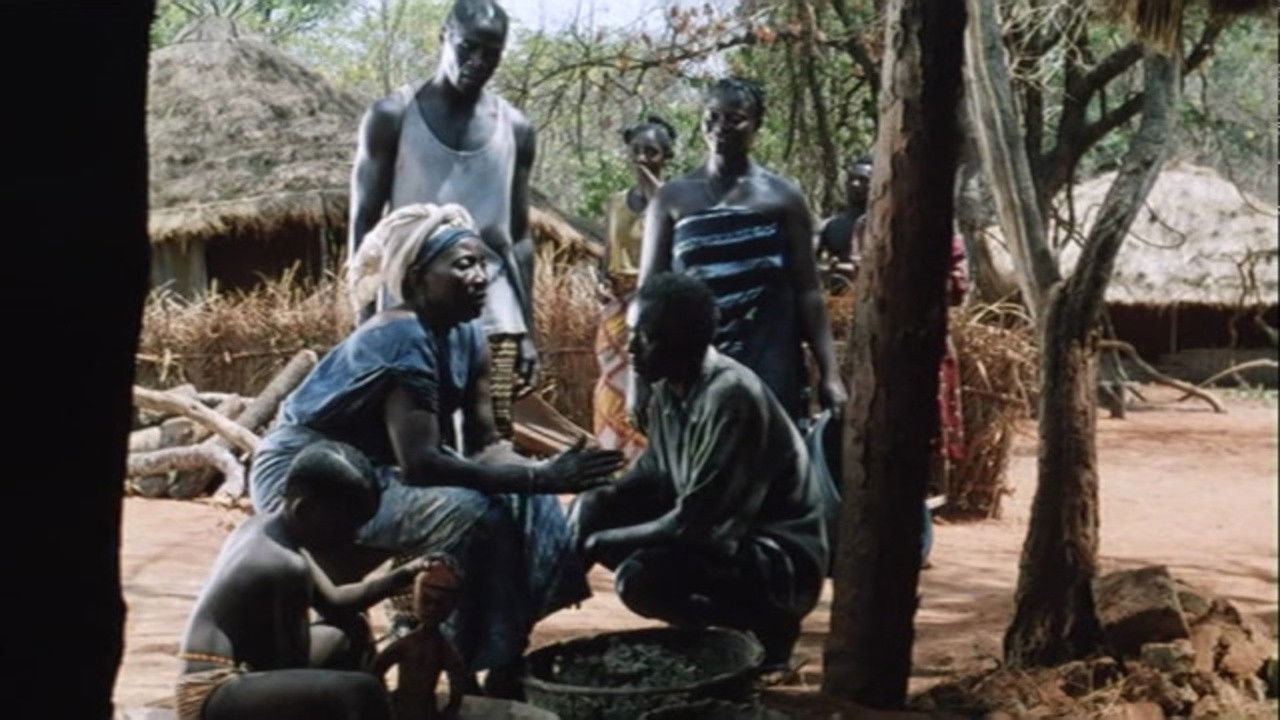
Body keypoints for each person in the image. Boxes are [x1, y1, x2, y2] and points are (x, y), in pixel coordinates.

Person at [251, 206, 624, 698]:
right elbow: (422, 463)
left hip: (379, 471)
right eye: (463, 265)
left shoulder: (468, 334)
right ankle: (452, 657)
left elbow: (488, 446)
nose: (480, 276)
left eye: (482, 263)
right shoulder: (400, 335)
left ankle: (504, 652)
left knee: (528, 502)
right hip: (313, 475)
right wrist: (539, 476)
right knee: (470, 513)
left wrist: (544, 474)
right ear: (415, 277)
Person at [571, 273, 831, 673]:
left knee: (639, 579)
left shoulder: (730, 397)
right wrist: (590, 501)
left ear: (684, 341)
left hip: (778, 560)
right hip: (721, 538)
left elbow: (696, 524)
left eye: (646, 338)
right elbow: (652, 476)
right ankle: (517, 638)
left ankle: (761, 634)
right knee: (595, 509)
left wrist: (597, 542)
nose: (632, 348)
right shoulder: (670, 390)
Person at [348, 0, 536, 439]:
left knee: (492, 435)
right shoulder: (392, 116)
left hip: (493, 307)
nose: (479, 62)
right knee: (411, 440)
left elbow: (519, 239)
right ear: (444, 37)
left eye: (492, 53)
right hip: (411, 305)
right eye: (468, 47)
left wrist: (528, 328)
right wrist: (363, 314)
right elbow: (365, 223)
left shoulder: (516, 129)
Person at [638, 77, 846, 424]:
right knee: (704, 455)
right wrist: (640, 379)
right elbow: (649, 292)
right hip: (694, 366)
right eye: (712, 116)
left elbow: (808, 291)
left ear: (756, 125)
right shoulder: (672, 198)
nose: (720, 127)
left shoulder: (782, 197)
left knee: (771, 454)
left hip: (770, 362)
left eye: (734, 119)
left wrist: (831, 374)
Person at [177, 440, 427, 720]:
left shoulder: (265, 526)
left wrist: (407, 572)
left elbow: (336, 601)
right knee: (361, 691)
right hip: (210, 693)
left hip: (243, 673)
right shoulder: (284, 565)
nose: (352, 536)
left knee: (352, 629)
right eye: (345, 526)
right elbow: (289, 666)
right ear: (303, 509)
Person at [593, 116, 677, 462]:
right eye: (636, 150)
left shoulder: (674, 201)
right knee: (611, 383)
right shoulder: (616, 202)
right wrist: (601, 279)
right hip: (616, 305)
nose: (642, 158)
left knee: (648, 382)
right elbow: (608, 251)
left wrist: (657, 192)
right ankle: (612, 460)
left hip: (654, 304)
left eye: (651, 152)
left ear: (666, 156)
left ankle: (649, 463)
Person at [372, 555, 467, 720]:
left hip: (425, 711)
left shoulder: (442, 649)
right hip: (401, 708)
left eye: (439, 604)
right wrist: (383, 698)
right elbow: (377, 668)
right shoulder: (409, 644)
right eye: (426, 600)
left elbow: (457, 680)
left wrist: (451, 710)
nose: (431, 609)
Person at [816, 155, 872, 267]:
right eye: (851, 179)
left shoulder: (890, 227)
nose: (855, 184)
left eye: (863, 180)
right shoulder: (828, 227)